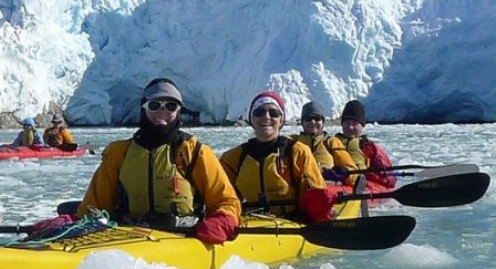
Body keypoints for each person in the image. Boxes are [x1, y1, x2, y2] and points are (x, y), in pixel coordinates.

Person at [75, 78, 242, 244]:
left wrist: (222, 221)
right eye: (154, 105)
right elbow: (94, 206)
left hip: (183, 236)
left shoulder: (194, 152)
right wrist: (75, 222)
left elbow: (226, 201)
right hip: (129, 238)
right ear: (143, 108)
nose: (162, 112)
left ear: (179, 111)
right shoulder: (118, 154)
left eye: (171, 106)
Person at [220, 92, 329, 220]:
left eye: (274, 113)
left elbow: (316, 198)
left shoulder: (298, 153)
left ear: (281, 120)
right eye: (259, 112)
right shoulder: (233, 158)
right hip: (248, 224)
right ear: (252, 119)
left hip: (291, 224)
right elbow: (220, 196)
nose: (266, 117)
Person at [335, 99, 396, 190]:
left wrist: (368, 174)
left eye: (355, 124)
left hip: (363, 185)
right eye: (347, 123)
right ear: (342, 125)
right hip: (336, 184)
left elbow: (390, 179)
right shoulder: (331, 143)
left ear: (362, 126)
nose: (350, 127)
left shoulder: (370, 147)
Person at [292, 101, 356, 181]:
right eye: (308, 119)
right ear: (302, 122)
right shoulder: (293, 142)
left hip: (325, 188)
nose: (313, 122)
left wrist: (343, 174)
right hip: (299, 189)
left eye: (317, 118)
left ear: (323, 122)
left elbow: (353, 172)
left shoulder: (331, 142)